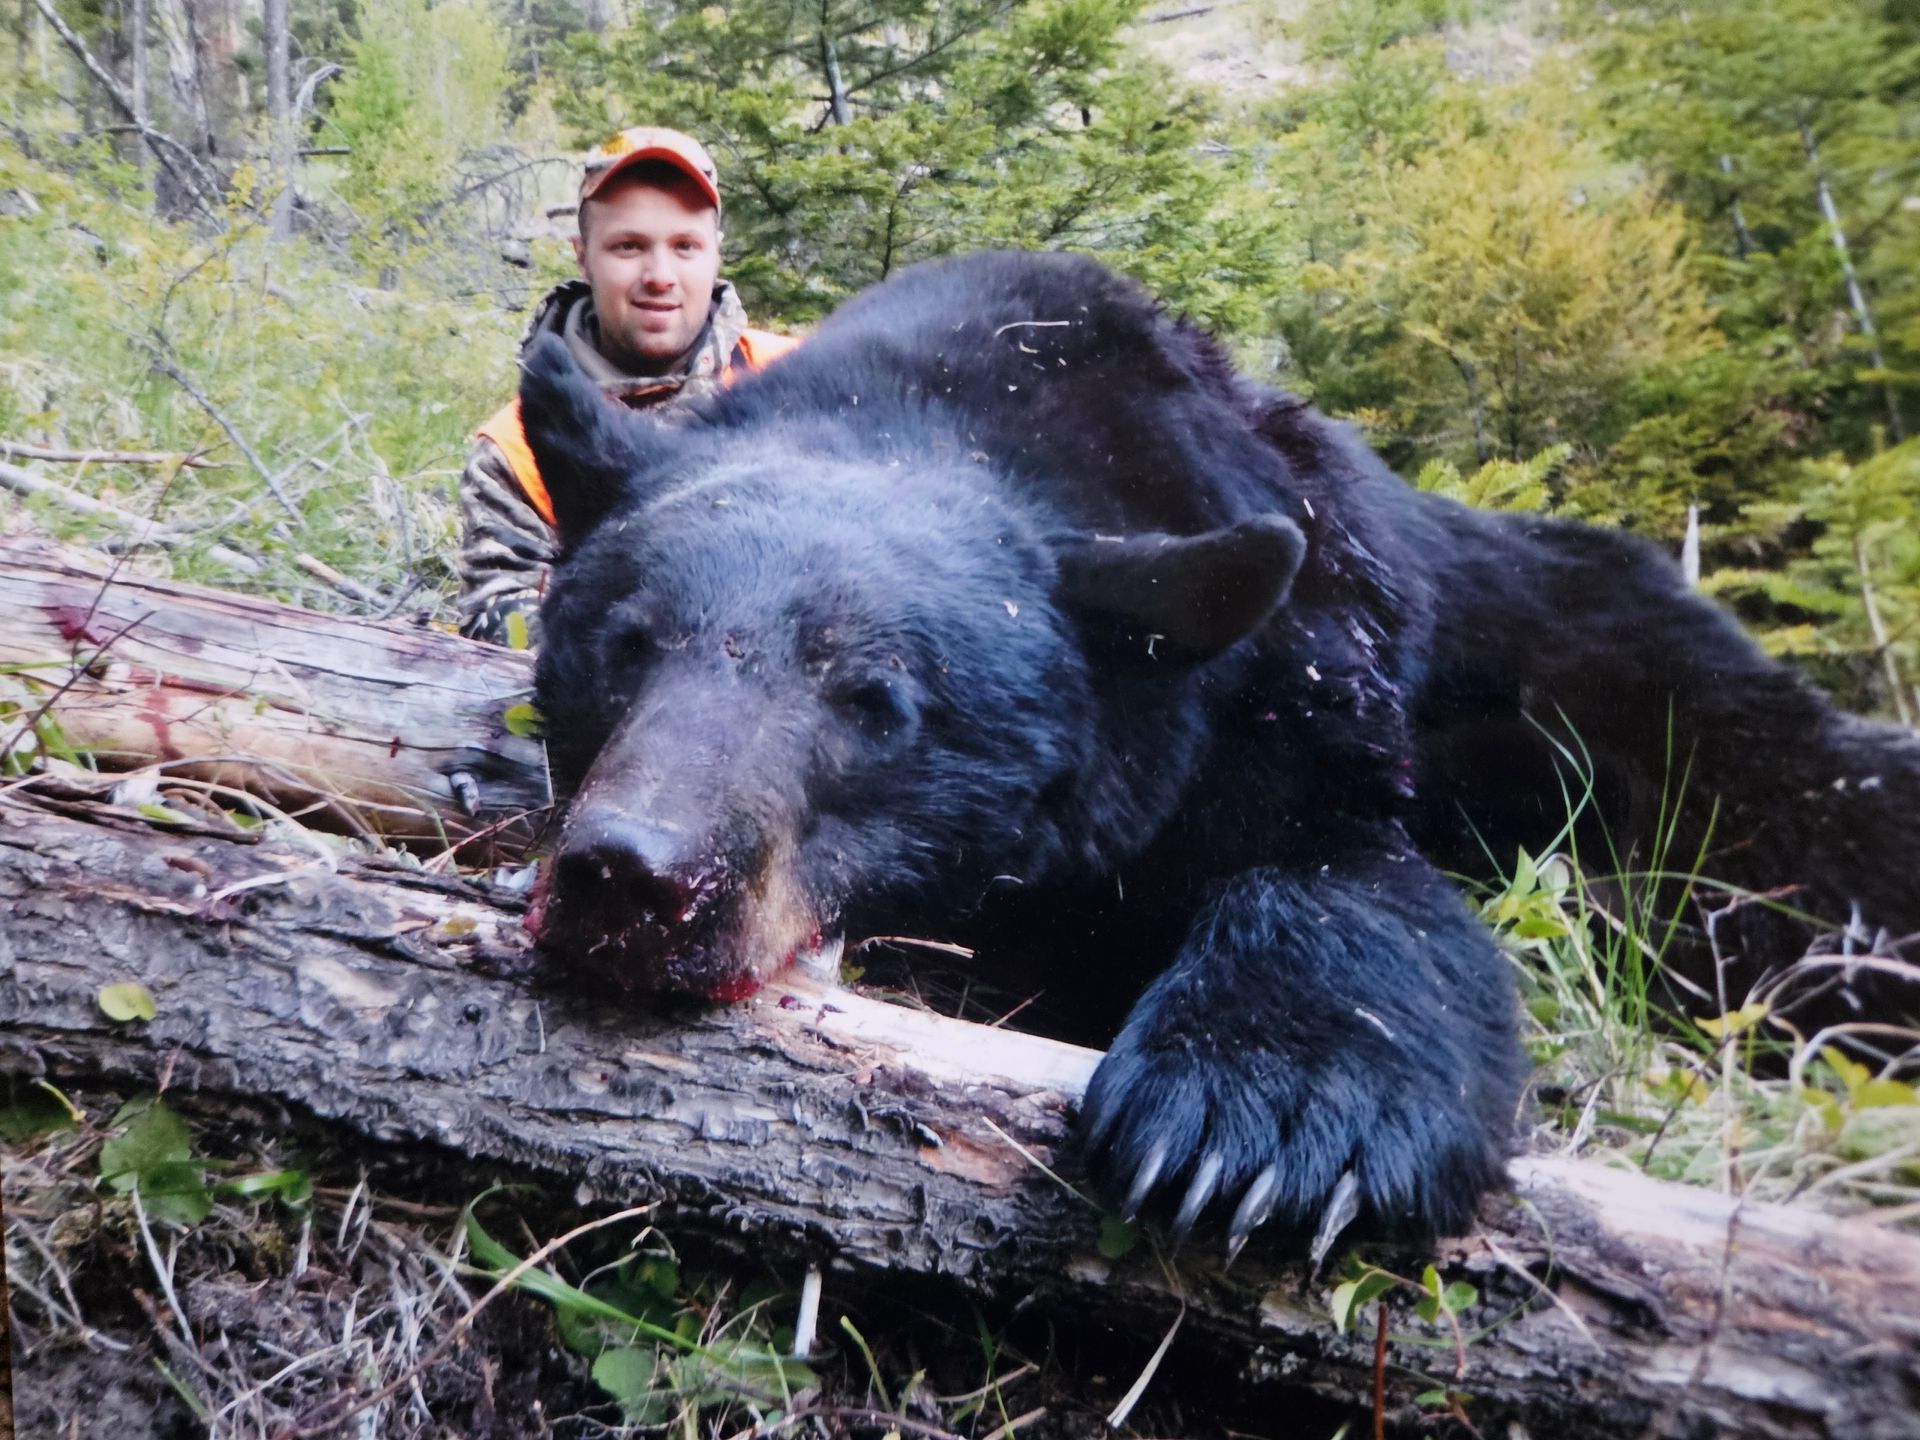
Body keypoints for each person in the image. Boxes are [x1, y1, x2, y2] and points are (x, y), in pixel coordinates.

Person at [455, 126, 798, 646]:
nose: (659, 274)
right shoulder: (518, 447)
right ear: (583, 255)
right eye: (628, 246)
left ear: (716, 254)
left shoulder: (793, 379)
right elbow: (508, 632)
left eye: (685, 246)